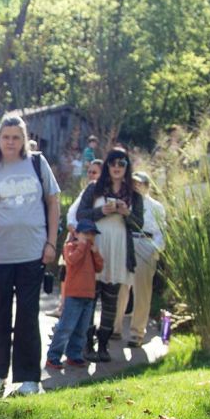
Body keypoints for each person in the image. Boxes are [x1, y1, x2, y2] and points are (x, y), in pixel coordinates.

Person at [0, 115, 60, 396]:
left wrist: (51, 243)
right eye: (5, 137)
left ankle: (30, 380)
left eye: (16, 137)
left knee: (29, 316)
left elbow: (53, 203)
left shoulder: (37, 164)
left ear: (24, 139)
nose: (10, 142)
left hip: (32, 253)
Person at [76, 148, 144, 362]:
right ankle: (87, 343)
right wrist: (100, 212)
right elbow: (80, 215)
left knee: (111, 301)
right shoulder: (94, 189)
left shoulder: (134, 195)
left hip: (119, 249)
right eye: (113, 163)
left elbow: (138, 225)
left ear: (127, 167)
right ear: (107, 166)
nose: (116, 168)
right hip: (96, 247)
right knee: (89, 298)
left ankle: (103, 345)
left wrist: (126, 213)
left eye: (121, 164)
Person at [113, 171, 166, 347]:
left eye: (140, 183)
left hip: (145, 243)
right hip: (127, 242)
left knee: (142, 291)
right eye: (134, 183)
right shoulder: (125, 201)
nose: (136, 186)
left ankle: (137, 332)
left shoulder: (156, 206)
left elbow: (161, 231)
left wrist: (154, 249)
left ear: (147, 185)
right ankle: (115, 328)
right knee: (121, 286)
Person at [45, 220, 103, 369]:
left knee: (81, 329)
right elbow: (72, 260)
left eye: (92, 234)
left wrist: (96, 253)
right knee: (65, 327)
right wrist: (82, 245)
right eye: (86, 233)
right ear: (76, 234)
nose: (89, 237)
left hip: (88, 295)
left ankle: (74, 354)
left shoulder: (91, 251)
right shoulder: (70, 247)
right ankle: (53, 356)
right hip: (74, 294)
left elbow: (100, 267)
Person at [50, 159, 103, 318]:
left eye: (95, 172)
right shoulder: (87, 190)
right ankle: (62, 306)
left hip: (82, 238)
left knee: (75, 273)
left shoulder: (99, 193)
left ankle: (68, 310)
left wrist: (79, 232)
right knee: (64, 273)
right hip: (72, 236)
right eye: (89, 171)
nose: (91, 175)